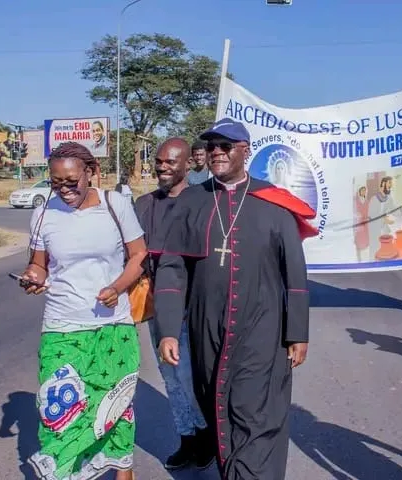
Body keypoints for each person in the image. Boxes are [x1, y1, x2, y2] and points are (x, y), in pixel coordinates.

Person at [153, 117, 317, 479]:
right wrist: (166, 328)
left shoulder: (273, 203)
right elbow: (171, 268)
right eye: (211, 147)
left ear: (245, 151)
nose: (216, 153)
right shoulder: (192, 201)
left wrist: (298, 332)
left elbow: (295, 273)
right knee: (217, 407)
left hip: (264, 328)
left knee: (254, 412)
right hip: (206, 327)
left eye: (225, 146)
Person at [21, 142, 146, 480]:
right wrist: (33, 277)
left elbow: (138, 256)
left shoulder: (114, 205)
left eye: (71, 181)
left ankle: (122, 471)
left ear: (91, 173)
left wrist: (117, 287)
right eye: (56, 182)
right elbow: (38, 264)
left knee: (114, 404)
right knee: (56, 407)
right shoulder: (44, 212)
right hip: (61, 324)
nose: (64, 190)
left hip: (112, 325)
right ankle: (62, 470)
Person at [134, 138, 213, 471]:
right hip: (157, 305)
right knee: (169, 377)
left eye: (170, 162)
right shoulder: (144, 204)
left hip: (192, 306)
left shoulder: (204, 200)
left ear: (186, 165)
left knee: (189, 377)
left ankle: (208, 437)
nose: (162, 167)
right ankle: (187, 439)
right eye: (159, 161)